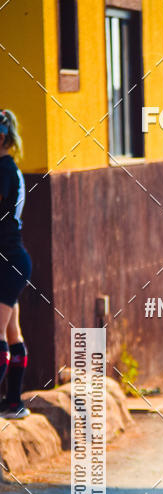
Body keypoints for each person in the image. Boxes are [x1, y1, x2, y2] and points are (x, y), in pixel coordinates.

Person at [0, 109, 32, 420]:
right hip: (12, 258)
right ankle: (14, 403)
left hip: (8, 260)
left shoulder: (5, 170)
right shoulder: (9, 168)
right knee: (12, 332)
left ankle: (14, 403)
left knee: (2, 332)